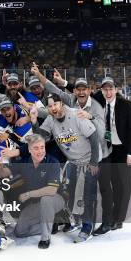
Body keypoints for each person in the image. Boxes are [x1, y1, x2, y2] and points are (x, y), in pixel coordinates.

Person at [30, 93, 99, 242]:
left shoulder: (76, 115)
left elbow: (94, 137)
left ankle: (87, 227)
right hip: (73, 162)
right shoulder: (50, 119)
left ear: (61, 103)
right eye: (49, 106)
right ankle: (78, 220)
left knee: (88, 194)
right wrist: (34, 121)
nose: (53, 108)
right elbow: (41, 138)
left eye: (55, 104)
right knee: (72, 193)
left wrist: (94, 162)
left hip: (88, 159)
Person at [0, 134, 64, 249]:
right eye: (36, 148)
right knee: (19, 232)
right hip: (36, 204)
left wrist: (28, 194)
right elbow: (2, 174)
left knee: (46, 200)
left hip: (55, 199)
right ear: (29, 150)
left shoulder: (53, 162)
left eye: (42, 147)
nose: (40, 151)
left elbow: (52, 190)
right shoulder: (25, 161)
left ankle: (45, 238)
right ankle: (53, 224)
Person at [93, 77, 131, 234]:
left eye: (111, 88)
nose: (108, 92)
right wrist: (63, 83)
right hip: (108, 150)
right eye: (105, 89)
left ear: (116, 89)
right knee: (111, 184)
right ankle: (111, 217)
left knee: (123, 186)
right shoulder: (99, 102)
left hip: (124, 151)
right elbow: (79, 92)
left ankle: (118, 219)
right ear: (101, 90)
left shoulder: (127, 105)